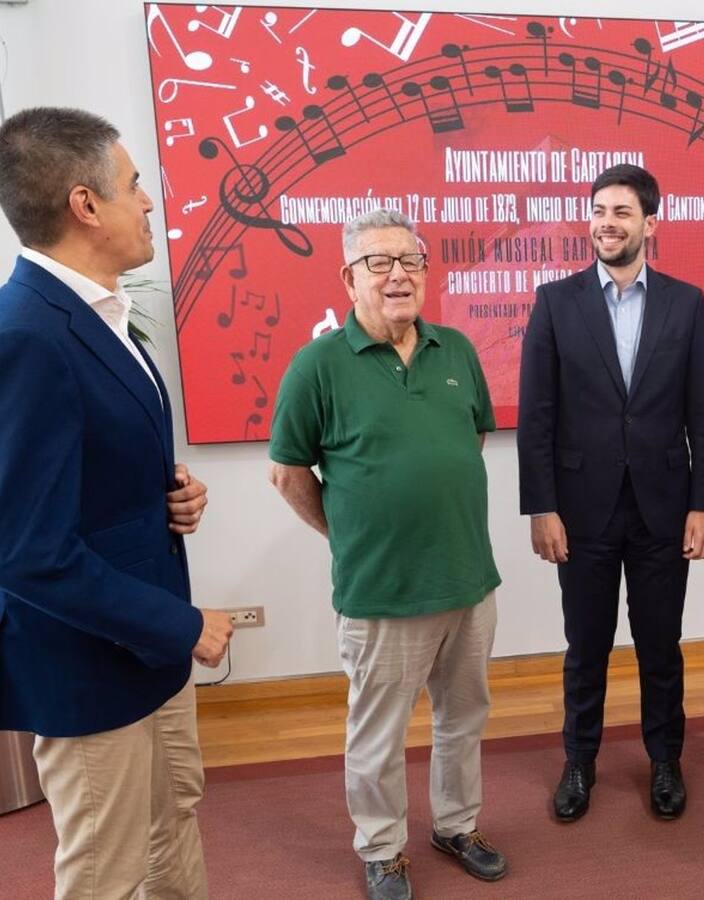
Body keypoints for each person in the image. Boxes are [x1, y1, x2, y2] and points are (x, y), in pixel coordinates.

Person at [0, 106, 232, 898]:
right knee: (108, 870)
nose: (148, 201)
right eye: (134, 184)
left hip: (146, 654)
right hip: (90, 666)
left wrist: (170, 496)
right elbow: (29, 553)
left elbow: (86, 477)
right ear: (84, 204)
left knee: (174, 825)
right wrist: (186, 625)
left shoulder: (101, 317)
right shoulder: (28, 334)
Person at [269, 208, 506, 900]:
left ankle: (457, 826)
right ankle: (381, 848)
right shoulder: (316, 366)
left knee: (464, 720)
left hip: (469, 581)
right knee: (377, 736)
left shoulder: (456, 350)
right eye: (379, 262)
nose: (398, 275)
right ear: (348, 278)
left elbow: (471, 443)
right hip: (380, 594)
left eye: (410, 260)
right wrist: (351, 535)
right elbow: (288, 474)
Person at [517, 164, 704, 822]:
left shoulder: (685, 303)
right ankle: (579, 759)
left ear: (650, 224)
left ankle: (666, 759)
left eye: (622, 212)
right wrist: (541, 507)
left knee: (662, 644)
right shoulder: (555, 301)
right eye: (599, 210)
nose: (607, 221)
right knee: (587, 644)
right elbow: (537, 416)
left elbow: (703, 414)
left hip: (665, 503)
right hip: (581, 510)